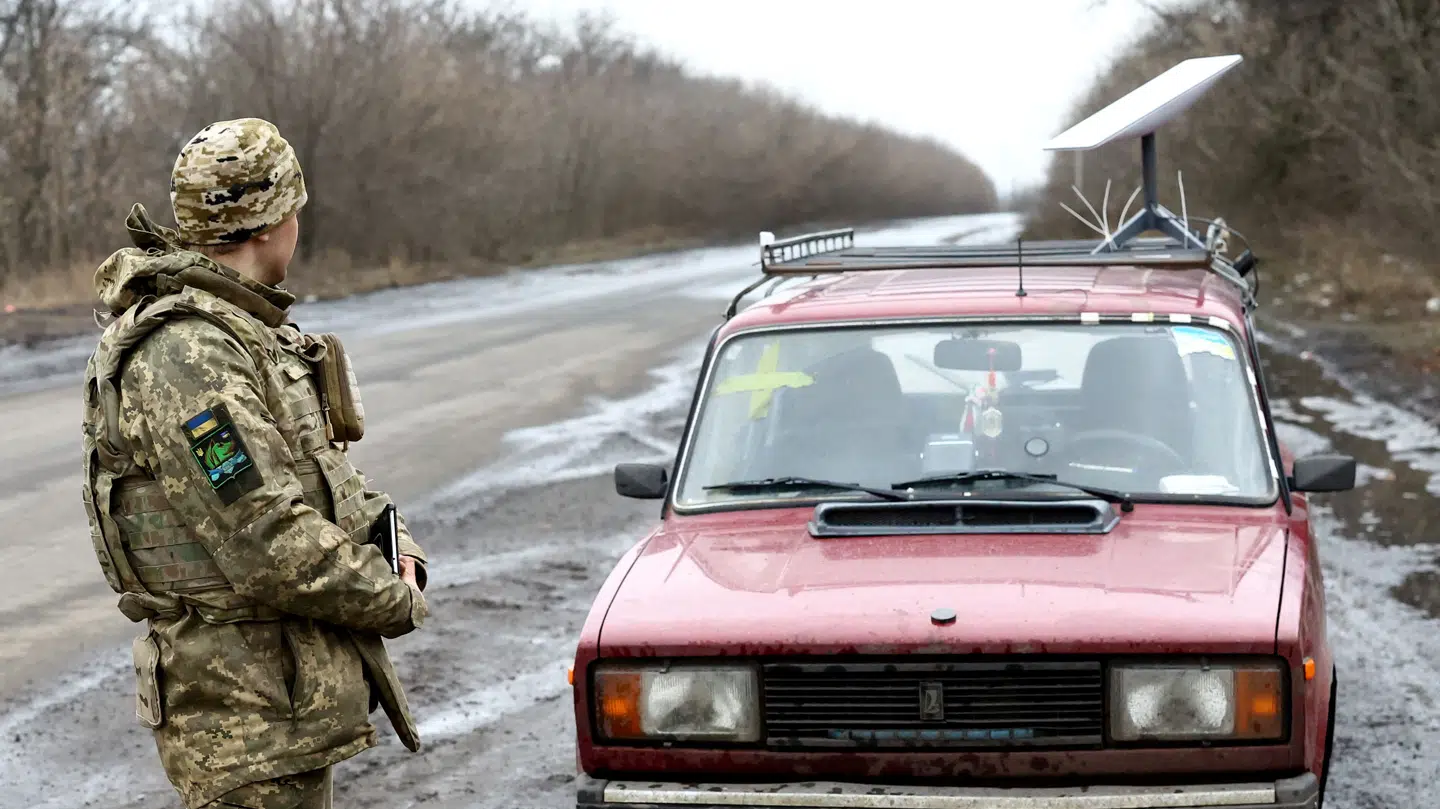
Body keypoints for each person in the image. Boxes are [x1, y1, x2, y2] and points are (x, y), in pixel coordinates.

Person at [81, 118, 430, 809]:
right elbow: (264, 538)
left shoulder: (247, 332)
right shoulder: (190, 354)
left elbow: (325, 474)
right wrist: (391, 595)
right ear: (274, 222)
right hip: (243, 720)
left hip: (281, 710)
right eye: (296, 207)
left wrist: (397, 542)